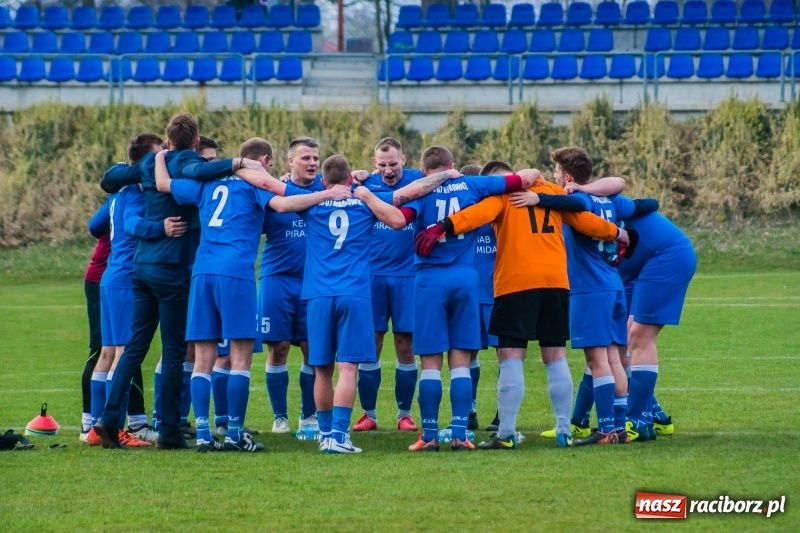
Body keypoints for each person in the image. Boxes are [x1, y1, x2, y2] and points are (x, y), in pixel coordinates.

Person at [417, 151, 628, 450]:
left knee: (511, 357)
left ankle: (506, 433)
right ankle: (564, 430)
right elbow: (585, 221)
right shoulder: (553, 191)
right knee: (555, 356)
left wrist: (443, 227)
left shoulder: (504, 196)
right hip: (556, 282)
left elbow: (475, 215)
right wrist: (616, 233)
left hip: (516, 283)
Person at [155, 139, 350, 452]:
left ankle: (204, 433)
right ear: (264, 161)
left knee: (203, 358)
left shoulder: (207, 182)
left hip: (203, 272)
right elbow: (283, 205)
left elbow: (163, 183)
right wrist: (328, 194)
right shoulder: (256, 183)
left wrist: (161, 156)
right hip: (236, 272)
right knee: (240, 357)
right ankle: (234, 433)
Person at [94, 112, 256, 449]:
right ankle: (169, 430)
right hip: (172, 268)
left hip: (142, 267)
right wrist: (238, 163)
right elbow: (200, 171)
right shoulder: (185, 160)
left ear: (168, 139)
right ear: (195, 141)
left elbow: (109, 179)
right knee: (173, 351)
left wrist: (141, 166)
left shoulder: (151, 161)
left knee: (135, 347)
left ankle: (108, 419)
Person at [406, 146, 538, 452]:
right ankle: (460, 433)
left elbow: (398, 214)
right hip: (467, 281)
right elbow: (525, 178)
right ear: (452, 165)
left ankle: (428, 435)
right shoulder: (475, 185)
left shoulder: (419, 191)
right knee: (461, 362)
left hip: (429, 281)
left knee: (430, 364)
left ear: (424, 171)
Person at [294, 155, 414, 453]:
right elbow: (397, 220)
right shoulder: (363, 203)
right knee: (348, 368)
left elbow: (281, 200)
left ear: (324, 181)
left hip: (318, 294)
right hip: (354, 293)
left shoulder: (311, 203)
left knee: (321, 370)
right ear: (350, 179)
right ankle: (339, 436)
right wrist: (366, 194)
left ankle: (325, 436)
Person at [353, 137, 424, 433]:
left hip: (409, 275)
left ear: (404, 160)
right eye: (382, 164)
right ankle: (368, 414)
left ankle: (404, 414)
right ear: (374, 163)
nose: (388, 170)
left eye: (393, 163)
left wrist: (449, 172)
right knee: (370, 344)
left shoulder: (419, 180)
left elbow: (445, 177)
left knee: (406, 344)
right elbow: (326, 181)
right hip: (372, 276)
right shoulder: (363, 183)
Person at [260, 137, 323, 435]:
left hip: (314, 283)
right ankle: (280, 418)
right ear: (290, 162)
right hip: (277, 279)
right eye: (305, 158)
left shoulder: (327, 189)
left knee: (313, 350)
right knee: (279, 348)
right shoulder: (275, 191)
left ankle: (308, 416)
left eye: (315, 158)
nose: (312, 162)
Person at [616, 211, 696, 441]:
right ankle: (655, 415)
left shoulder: (585, 202)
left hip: (664, 258)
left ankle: (637, 421)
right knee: (621, 341)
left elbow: (630, 199)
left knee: (638, 337)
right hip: (636, 266)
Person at [79, 211, 110, 443]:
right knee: (101, 348)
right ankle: (88, 423)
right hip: (101, 278)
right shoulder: (123, 196)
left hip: (119, 279)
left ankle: (136, 420)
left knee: (124, 348)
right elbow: (93, 226)